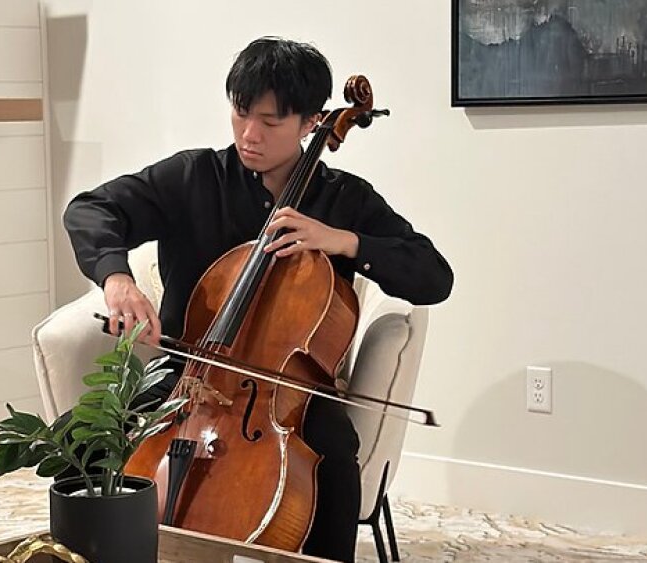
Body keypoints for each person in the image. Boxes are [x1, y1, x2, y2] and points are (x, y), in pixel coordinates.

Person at [63, 36, 453, 563]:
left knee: (333, 455)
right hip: (186, 375)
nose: (250, 134)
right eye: (241, 113)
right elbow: (90, 210)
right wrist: (116, 278)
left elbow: (433, 276)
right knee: (84, 440)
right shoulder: (193, 177)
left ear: (312, 122)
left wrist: (342, 241)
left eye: (271, 122)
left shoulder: (344, 198)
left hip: (287, 393)